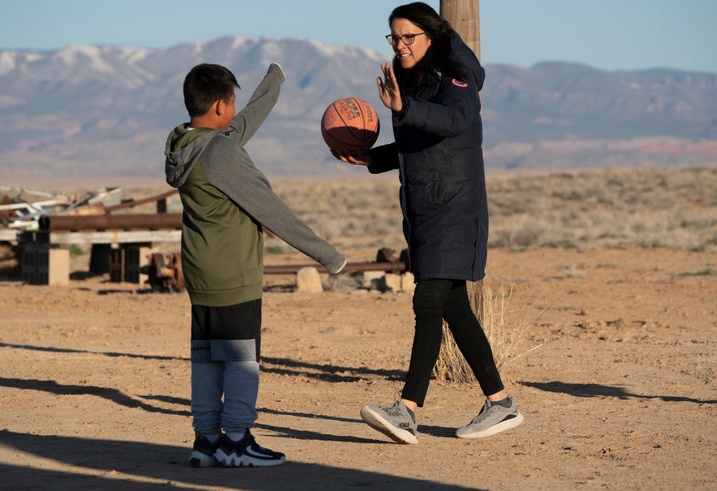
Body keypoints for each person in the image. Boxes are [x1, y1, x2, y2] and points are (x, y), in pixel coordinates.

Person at [331, 2, 523, 444]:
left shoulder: (456, 78)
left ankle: (407, 410)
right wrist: (368, 157)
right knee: (455, 308)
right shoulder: (419, 83)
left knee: (428, 303)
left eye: (408, 37)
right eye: (393, 38)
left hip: (454, 209)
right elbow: (416, 143)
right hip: (428, 210)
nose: (400, 45)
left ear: (430, 37)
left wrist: (404, 106)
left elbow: (457, 120)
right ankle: (501, 403)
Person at [165, 62, 346, 466]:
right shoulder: (223, 154)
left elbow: (240, 126)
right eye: (229, 103)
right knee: (242, 361)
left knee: (207, 358)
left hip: (201, 272)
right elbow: (272, 211)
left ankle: (206, 440)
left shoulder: (188, 145)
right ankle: (237, 441)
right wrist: (329, 256)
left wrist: (273, 83)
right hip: (234, 275)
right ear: (216, 108)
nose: (233, 110)